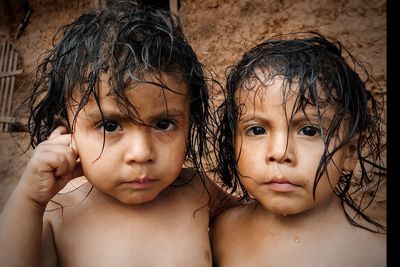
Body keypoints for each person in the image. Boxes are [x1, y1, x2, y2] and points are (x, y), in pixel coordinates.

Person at [0, 2, 226, 266]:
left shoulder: (197, 190)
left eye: (164, 124)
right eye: (110, 126)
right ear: (67, 130)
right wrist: (29, 198)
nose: (141, 153)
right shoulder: (55, 213)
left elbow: (254, 224)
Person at [211, 32, 386, 267]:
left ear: (351, 151)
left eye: (310, 131)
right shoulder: (221, 232)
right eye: (257, 130)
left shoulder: (375, 253)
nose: (281, 152)